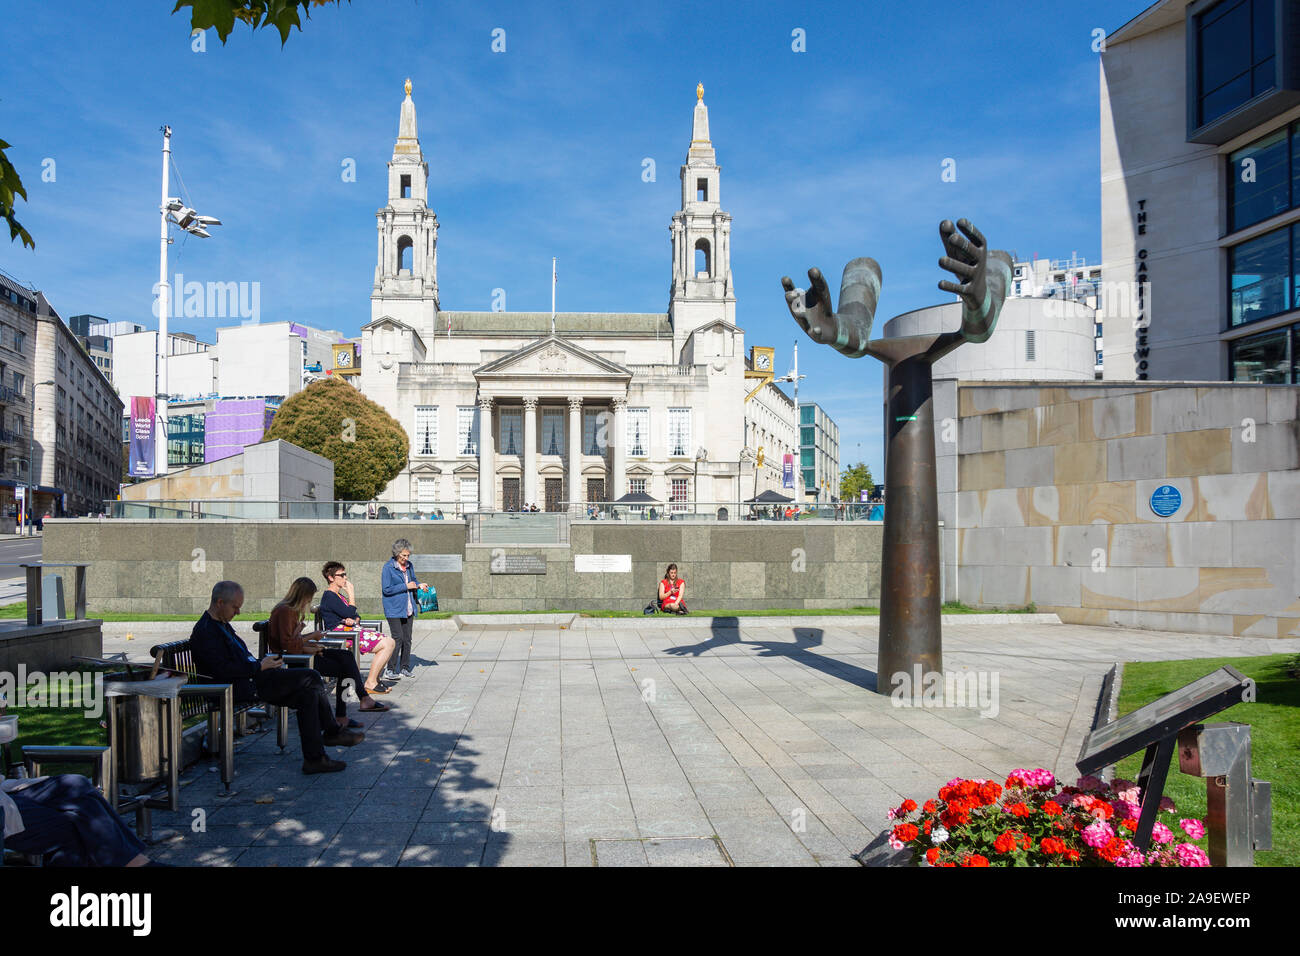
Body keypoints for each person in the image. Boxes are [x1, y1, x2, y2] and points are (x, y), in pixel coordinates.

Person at [190, 580, 361, 774]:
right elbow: (221, 670)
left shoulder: (221, 625)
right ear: (220, 602)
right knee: (311, 677)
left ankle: (315, 759)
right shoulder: (206, 631)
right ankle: (331, 732)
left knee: (308, 695)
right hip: (236, 688)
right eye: (235, 607)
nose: (237, 613)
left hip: (251, 678)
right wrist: (258, 666)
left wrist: (262, 665)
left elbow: (238, 660)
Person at [270, 577, 389, 729]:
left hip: (301, 653)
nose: (308, 602)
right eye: (309, 598)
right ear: (303, 595)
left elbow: (293, 641)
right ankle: (349, 709)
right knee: (344, 670)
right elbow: (288, 646)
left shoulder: (289, 610)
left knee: (346, 656)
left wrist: (312, 643)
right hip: (294, 659)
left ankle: (361, 700)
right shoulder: (285, 611)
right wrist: (313, 638)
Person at [1, 774, 164, 866]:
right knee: (73, 827)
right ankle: (134, 863)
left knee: (76, 784)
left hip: (5, 790)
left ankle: (128, 860)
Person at [320, 561, 396, 697]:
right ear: (331, 578)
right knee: (388, 643)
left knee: (389, 642)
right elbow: (349, 612)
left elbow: (355, 615)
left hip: (350, 630)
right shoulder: (329, 596)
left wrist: (352, 619)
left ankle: (374, 680)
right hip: (339, 634)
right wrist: (352, 595)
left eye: (345, 574)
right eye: (341, 575)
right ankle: (370, 682)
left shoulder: (338, 596)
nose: (345, 578)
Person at [381, 538, 422, 679]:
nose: (406, 558)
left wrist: (419, 585)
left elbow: (413, 581)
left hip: (408, 607)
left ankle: (405, 667)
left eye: (408, 555)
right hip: (393, 609)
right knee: (397, 638)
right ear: (397, 553)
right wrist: (406, 586)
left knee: (407, 639)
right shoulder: (388, 568)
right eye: (403, 555)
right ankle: (390, 669)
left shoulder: (409, 566)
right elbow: (386, 589)